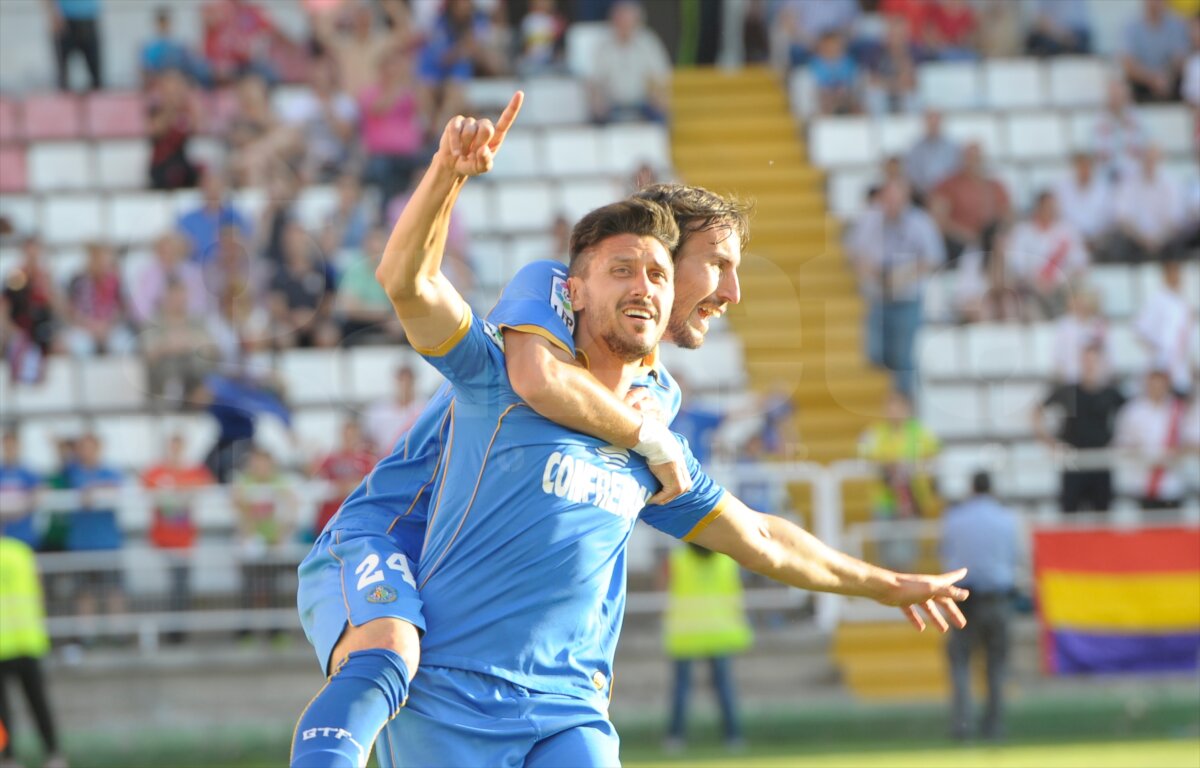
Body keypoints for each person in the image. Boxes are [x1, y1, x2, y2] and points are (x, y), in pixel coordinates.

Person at [292, 93, 968, 768]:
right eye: (718, 263)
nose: (732, 290)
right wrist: (448, 175)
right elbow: (526, 372)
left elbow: (759, 536)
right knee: (390, 648)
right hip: (387, 543)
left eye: (659, 275)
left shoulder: (655, 404)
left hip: (562, 694)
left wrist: (882, 584)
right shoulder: (546, 302)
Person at [941, 471, 1021, 742]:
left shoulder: (956, 518)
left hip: (965, 599)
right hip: (997, 598)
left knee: (961, 664)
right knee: (996, 666)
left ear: (972, 489)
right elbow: (1014, 558)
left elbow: (947, 554)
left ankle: (963, 726)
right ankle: (994, 727)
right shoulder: (1006, 519)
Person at [847, 179, 945, 397]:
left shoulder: (920, 222)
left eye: (895, 200)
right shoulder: (869, 220)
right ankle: (893, 394)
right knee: (875, 353)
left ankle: (904, 400)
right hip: (879, 296)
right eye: (888, 199)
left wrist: (904, 274)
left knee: (903, 357)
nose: (891, 205)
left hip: (907, 298)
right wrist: (871, 272)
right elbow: (856, 253)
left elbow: (933, 258)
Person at [662, 543, 752, 754]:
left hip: (686, 632)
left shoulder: (678, 558)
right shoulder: (727, 558)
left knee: (681, 690)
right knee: (724, 688)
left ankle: (675, 737)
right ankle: (733, 737)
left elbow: (663, 585)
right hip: (719, 631)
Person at [0, 536, 68, 768]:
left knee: (2, 711)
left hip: (3, 643)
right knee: (39, 703)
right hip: (28, 638)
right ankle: (54, 754)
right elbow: (39, 590)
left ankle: (7, 758)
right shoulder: (21, 552)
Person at [1033, 344, 1126, 514]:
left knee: (1103, 516)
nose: (1090, 365)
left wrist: (1121, 443)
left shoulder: (1111, 393)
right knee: (1069, 515)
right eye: (1086, 361)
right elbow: (1037, 412)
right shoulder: (1069, 391)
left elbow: (1132, 417)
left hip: (1100, 462)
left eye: (1094, 361)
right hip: (1074, 462)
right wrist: (1050, 442)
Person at [141, 434, 215, 643]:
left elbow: (207, 483)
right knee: (167, 588)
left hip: (184, 541)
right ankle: (168, 630)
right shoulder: (157, 471)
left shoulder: (192, 471)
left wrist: (182, 488)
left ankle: (178, 632)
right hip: (161, 541)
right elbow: (146, 486)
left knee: (181, 587)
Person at [858, 390, 940, 571]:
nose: (893, 411)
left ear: (907, 408)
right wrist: (890, 466)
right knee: (884, 553)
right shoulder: (875, 433)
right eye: (890, 406)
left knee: (907, 552)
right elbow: (866, 457)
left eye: (897, 406)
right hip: (884, 501)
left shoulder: (921, 433)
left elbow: (933, 457)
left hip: (911, 501)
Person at [232, 445, 295, 641]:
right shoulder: (245, 482)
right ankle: (245, 633)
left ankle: (276, 633)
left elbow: (292, 504)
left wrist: (282, 531)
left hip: (271, 543)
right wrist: (246, 527)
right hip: (250, 544)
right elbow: (236, 502)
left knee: (273, 589)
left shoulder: (278, 481)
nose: (260, 467)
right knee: (248, 590)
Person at [64, 433, 126, 626]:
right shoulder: (71, 472)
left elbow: (116, 491)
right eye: (83, 447)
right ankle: (86, 635)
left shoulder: (110, 472)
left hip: (107, 543)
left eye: (90, 447)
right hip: (81, 544)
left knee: (114, 591)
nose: (86, 452)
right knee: (84, 593)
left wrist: (93, 492)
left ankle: (118, 634)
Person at [1114, 369, 1198, 510]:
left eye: (1160, 384)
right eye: (1153, 384)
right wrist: (1140, 453)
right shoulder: (1132, 411)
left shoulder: (1180, 410)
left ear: (1167, 386)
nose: (1157, 388)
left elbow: (1193, 440)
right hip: (1142, 484)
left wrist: (1180, 451)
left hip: (1172, 484)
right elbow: (1121, 443)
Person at [1005, 191, 1089, 320]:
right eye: (1047, 207)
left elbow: (1080, 263)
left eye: (1053, 207)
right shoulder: (1022, 232)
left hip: (1063, 290)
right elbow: (1017, 266)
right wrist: (1036, 281)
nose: (1050, 211)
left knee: (1083, 293)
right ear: (1038, 208)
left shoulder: (1067, 231)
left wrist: (1058, 281)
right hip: (1033, 290)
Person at [279, 55, 359, 184]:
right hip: (302, 151)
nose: (322, 76)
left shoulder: (344, 102)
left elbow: (346, 136)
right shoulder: (301, 100)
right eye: (319, 71)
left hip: (333, 156)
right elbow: (289, 133)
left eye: (326, 72)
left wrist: (329, 110)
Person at [928, 142, 1011, 264]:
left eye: (976, 157)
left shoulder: (995, 186)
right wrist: (968, 237)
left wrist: (998, 235)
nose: (973, 162)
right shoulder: (948, 185)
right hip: (958, 246)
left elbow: (1008, 215)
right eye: (969, 157)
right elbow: (938, 220)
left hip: (990, 244)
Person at [589, 1, 671, 124]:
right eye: (620, 19)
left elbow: (660, 77)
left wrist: (657, 96)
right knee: (597, 116)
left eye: (628, 20)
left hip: (643, 104)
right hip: (612, 105)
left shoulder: (648, 42)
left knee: (661, 114)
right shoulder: (603, 46)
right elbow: (594, 81)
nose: (624, 24)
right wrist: (598, 101)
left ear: (637, 21)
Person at [1134, 257, 1196, 397]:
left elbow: (1187, 336)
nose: (1176, 277)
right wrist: (1158, 351)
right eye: (1172, 273)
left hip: (1181, 366)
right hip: (1162, 364)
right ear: (1165, 276)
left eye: (1178, 273)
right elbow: (1140, 329)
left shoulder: (1184, 303)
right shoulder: (1156, 300)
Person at [1111, 145, 1184, 263]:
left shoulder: (1171, 184)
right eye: (1147, 159)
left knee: (1179, 244)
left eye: (1154, 159)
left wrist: (1159, 240)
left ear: (1160, 161)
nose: (1150, 163)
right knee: (1118, 243)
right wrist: (1142, 240)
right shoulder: (1129, 184)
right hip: (1135, 240)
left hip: (1165, 240)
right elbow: (1123, 219)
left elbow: (1175, 220)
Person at [62, 242, 136, 357]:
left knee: (123, 345)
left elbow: (122, 308)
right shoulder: (77, 280)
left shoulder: (115, 281)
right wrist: (90, 325)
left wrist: (107, 325)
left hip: (110, 327)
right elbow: (70, 309)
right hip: (84, 327)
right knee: (79, 347)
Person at [335, 228, 405, 346]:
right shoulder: (354, 269)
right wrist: (383, 314)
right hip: (359, 323)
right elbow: (349, 307)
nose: (375, 246)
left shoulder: (395, 271)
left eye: (379, 241)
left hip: (386, 323)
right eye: (372, 242)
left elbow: (401, 305)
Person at [310, 420, 377, 538]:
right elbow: (316, 483)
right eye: (346, 435)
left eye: (352, 435)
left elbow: (370, 485)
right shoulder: (330, 459)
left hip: (354, 519)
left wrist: (347, 487)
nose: (349, 439)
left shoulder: (366, 460)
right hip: (329, 519)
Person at [176, 169, 253, 265]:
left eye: (217, 187)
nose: (213, 191)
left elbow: (247, 245)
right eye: (209, 187)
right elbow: (181, 251)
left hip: (229, 268)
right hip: (197, 268)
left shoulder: (235, 217)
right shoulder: (188, 220)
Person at [1122, 0, 1190, 102]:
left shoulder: (1177, 25)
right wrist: (1152, 79)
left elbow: (1180, 58)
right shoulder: (1131, 27)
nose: (1155, 2)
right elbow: (1128, 62)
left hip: (1171, 81)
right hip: (1141, 84)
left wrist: (1166, 77)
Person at [1053, 152, 1114, 259]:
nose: (1084, 171)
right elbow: (1058, 216)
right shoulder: (1061, 188)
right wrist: (1077, 239)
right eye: (1081, 166)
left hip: (1099, 241)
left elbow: (1109, 218)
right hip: (1070, 241)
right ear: (1075, 168)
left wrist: (1095, 239)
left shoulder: (1104, 188)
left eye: (1087, 166)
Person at [1091, 80, 1149, 182]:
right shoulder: (1097, 121)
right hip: (1105, 176)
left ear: (1126, 96)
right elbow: (1094, 151)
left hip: (1134, 175)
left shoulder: (1139, 120)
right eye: (1113, 94)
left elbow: (1146, 148)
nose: (1116, 98)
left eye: (1119, 94)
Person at [141, 6, 211, 86]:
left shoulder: (179, 46)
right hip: (160, 82)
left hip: (180, 81)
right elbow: (147, 70)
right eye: (161, 23)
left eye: (165, 22)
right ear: (157, 24)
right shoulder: (150, 48)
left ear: (170, 23)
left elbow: (190, 66)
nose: (163, 26)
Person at [1051, 288, 1110, 385]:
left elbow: (1106, 355)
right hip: (1071, 379)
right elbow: (1058, 357)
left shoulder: (1099, 324)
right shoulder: (1064, 325)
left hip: (1095, 381)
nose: (1082, 305)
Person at [362, 365, 423, 452]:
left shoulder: (423, 409)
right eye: (401, 381)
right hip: (385, 458)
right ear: (396, 382)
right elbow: (369, 441)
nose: (405, 386)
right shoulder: (379, 411)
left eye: (408, 382)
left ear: (413, 383)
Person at [905, 111, 960, 202]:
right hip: (922, 196)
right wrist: (927, 191)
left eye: (936, 122)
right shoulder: (915, 148)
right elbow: (912, 174)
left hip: (948, 195)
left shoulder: (952, 147)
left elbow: (955, 170)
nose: (933, 125)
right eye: (930, 122)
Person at [47, 0, 102, 91]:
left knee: (97, 80)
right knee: (63, 80)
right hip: (64, 19)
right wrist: (53, 13)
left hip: (89, 16)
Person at [0, 429, 41, 549]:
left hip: (24, 535)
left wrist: (22, 508)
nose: (10, 450)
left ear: (18, 447)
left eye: (12, 446)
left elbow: (40, 492)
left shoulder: (28, 472)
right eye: (7, 446)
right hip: (4, 536)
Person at [810, 31, 862, 115]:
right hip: (822, 100)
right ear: (821, 46)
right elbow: (816, 89)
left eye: (835, 45)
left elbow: (853, 87)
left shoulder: (849, 64)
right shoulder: (813, 65)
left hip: (846, 98)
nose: (832, 48)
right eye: (828, 45)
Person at [1025, 0, 1092, 57]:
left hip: (1074, 34)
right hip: (1051, 35)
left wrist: (1067, 36)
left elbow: (1079, 23)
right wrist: (1060, 35)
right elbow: (1039, 21)